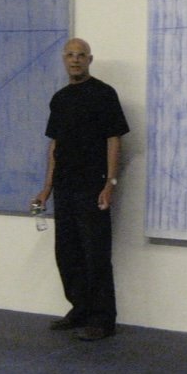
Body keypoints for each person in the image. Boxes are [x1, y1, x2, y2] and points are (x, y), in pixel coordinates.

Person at [32, 38, 129, 341]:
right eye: (70, 55)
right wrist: (46, 188)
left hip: (92, 186)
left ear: (90, 59)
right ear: (64, 59)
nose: (75, 60)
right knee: (68, 252)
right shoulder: (60, 99)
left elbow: (114, 139)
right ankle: (80, 309)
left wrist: (110, 183)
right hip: (65, 187)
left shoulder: (104, 94)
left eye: (81, 55)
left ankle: (102, 320)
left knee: (95, 253)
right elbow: (55, 145)